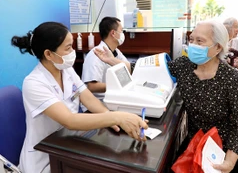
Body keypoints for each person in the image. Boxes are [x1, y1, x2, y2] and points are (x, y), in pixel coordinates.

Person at [94, 19, 238, 173]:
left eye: (200, 41)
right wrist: (111, 60)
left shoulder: (232, 79)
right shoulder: (184, 66)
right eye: (191, 39)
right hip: (198, 140)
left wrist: (228, 161)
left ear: (218, 48)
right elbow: (140, 68)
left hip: (228, 148)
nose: (192, 45)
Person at [11, 22, 148, 173]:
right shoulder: (34, 83)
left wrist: (114, 119)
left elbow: (88, 98)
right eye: (68, 48)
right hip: (45, 157)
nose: (73, 51)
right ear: (49, 54)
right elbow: (69, 120)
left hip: (68, 143)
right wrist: (117, 117)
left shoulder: (66, 70)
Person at [81, 17, 129, 106]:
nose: (123, 34)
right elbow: (92, 86)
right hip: (98, 102)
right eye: (122, 31)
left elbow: (127, 69)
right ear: (113, 33)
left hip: (113, 98)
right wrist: (117, 86)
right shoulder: (95, 55)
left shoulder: (116, 52)